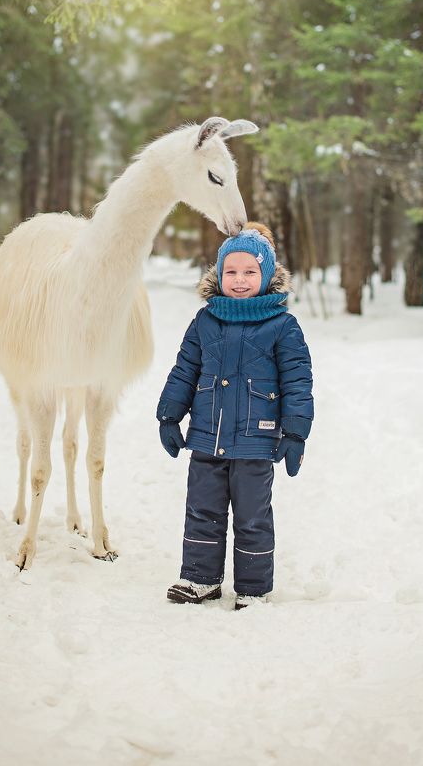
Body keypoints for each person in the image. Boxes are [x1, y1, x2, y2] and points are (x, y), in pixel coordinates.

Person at [156, 222, 314, 609]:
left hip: (256, 443)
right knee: (202, 511)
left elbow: (298, 382)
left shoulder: (282, 326)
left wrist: (294, 434)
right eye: (231, 271)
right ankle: (199, 580)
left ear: (267, 276)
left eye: (249, 272)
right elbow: (184, 370)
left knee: (252, 518)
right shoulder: (205, 321)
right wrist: (169, 416)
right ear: (218, 273)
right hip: (207, 438)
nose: (239, 280)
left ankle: (253, 589)